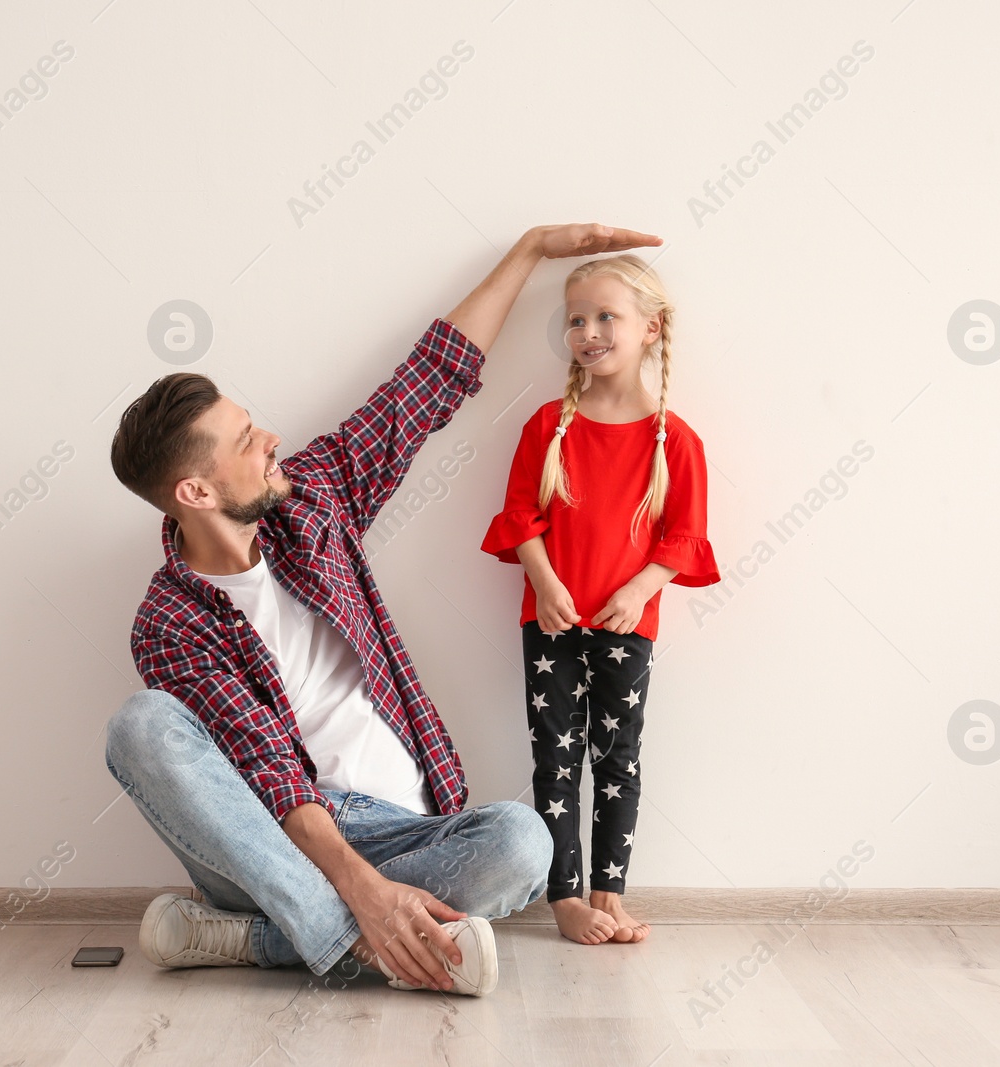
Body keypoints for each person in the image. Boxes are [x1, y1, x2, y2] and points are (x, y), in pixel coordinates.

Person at [105, 224, 663, 995]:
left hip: (411, 828)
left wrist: (531, 250)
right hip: (278, 838)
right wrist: (362, 892)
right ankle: (358, 937)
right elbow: (270, 773)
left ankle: (268, 939)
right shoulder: (171, 620)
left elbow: (427, 383)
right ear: (195, 493)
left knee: (523, 841)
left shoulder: (314, 502)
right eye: (243, 440)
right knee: (140, 726)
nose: (270, 436)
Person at [480, 254, 721, 947]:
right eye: (576, 319)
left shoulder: (675, 441)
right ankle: (565, 899)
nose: (587, 331)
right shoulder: (546, 426)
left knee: (618, 759)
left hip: (626, 625)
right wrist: (547, 583)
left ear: (651, 327)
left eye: (605, 316)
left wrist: (641, 587)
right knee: (556, 758)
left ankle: (608, 894)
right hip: (550, 619)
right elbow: (521, 516)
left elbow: (685, 536)